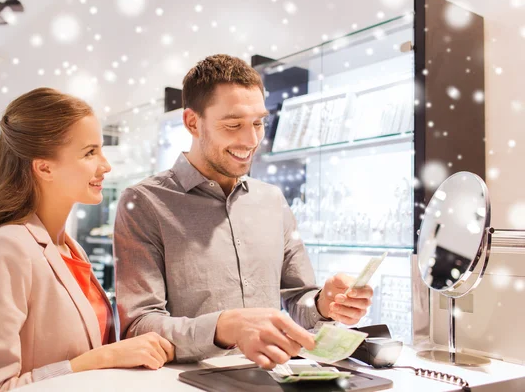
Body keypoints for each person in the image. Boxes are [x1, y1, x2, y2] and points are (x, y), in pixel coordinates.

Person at [114, 55, 374, 369]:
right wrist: (225, 327)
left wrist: (324, 303)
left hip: (274, 379)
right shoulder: (144, 203)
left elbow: (298, 298)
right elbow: (139, 326)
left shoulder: (272, 200)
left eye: (258, 123)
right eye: (233, 124)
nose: (251, 141)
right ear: (192, 122)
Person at [0, 88, 174, 392]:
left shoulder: (70, 249)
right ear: (44, 167)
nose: (105, 166)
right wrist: (100, 359)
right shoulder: (3, 250)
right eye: (90, 152)